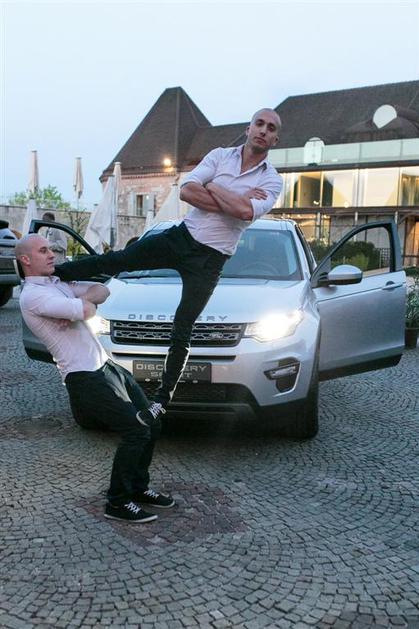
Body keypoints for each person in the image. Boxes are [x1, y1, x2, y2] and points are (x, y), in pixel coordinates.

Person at [54, 108, 283, 427]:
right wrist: (234, 198)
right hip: (181, 237)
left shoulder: (272, 180)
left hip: (211, 259)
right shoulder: (220, 155)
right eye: (259, 123)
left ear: (275, 139)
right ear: (249, 128)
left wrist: (215, 187)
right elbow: (188, 190)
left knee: (182, 328)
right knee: (119, 259)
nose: (263, 130)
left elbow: (245, 213)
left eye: (270, 128)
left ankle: (160, 403)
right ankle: (55, 274)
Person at [16, 233, 175, 523]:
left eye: (51, 249)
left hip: (105, 365)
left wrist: (79, 303)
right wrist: (82, 305)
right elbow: (89, 309)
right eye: (43, 251)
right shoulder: (34, 296)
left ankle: (138, 488)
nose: (51, 255)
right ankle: (117, 503)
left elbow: (102, 291)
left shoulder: (57, 283)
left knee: (152, 423)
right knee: (136, 430)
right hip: (84, 375)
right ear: (25, 259)